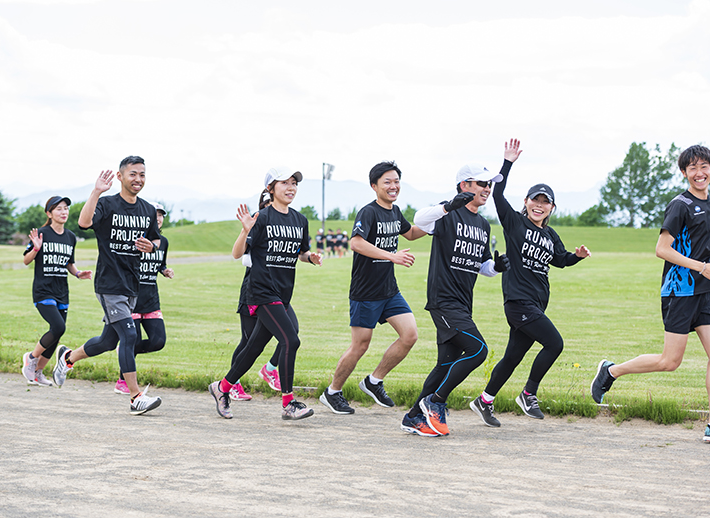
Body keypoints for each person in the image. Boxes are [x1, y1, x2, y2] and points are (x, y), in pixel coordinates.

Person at [591, 144, 710, 444]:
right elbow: (662, 249)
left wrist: (704, 272)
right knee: (670, 362)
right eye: (692, 168)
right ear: (684, 173)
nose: (699, 173)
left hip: (703, 293)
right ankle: (610, 371)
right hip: (678, 291)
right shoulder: (679, 205)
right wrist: (702, 267)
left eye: (704, 166)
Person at [473, 140, 591, 425]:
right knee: (554, 344)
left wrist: (577, 257)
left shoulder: (550, 236)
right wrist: (507, 162)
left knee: (512, 357)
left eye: (545, 202)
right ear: (526, 203)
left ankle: (484, 401)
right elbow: (498, 194)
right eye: (534, 200)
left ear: (551, 208)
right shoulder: (515, 224)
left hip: (536, 303)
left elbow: (560, 259)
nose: (539, 206)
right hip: (518, 301)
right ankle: (528, 393)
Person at [401, 163, 510, 436]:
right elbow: (419, 218)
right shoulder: (446, 213)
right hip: (443, 300)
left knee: (446, 364)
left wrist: (497, 267)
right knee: (478, 350)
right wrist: (449, 206)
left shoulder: (483, 224)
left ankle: (413, 417)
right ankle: (435, 401)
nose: (487, 189)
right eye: (482, 184)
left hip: (462, 303)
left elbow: (482, 267)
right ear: (464, 186)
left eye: (490, 185)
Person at [209, 167, 323, 420]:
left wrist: (310, 257)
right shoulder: (260, 217)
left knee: (254, 346)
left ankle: (222, 387)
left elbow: (299, 252)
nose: (291, 187)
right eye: (284, 182)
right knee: (290, 340)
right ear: (271, 188)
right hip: (261, 290)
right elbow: (237, 254)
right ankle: (288, 403)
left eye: (294, 183)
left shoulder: (299, 219)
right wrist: (245, 230)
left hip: (283, 293)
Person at [52, 156, 163, 416]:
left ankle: (67, 358)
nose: (138, 179)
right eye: (133, 174)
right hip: (109, 283)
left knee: (107, 342)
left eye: (143, 175)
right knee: (130, 335)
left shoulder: (147, 209)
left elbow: (156, 241)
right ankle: (136, 397)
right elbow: (84, 223)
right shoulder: (107, 204)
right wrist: (96, 191)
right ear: (121, 176)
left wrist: (150, 246)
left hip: (131, 285)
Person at [320, 161, 427, 415]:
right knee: (360, 345)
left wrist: (439, 219)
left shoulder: (395, 211)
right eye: (387, 182)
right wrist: (392, 256)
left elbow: (410, 233)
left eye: (396, 181)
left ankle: (374, 381)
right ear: (374, 186)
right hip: (365, 292)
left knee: (410, 335)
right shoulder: (368, 212)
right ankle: (332, 392)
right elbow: (356, 243)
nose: (393, 186)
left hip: (389, 290)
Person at [21, 196, 92, 387]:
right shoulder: (41, 233)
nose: (64, 212)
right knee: (58, 327)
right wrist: (36, 249)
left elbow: (69, 262)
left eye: (66, 208)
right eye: (59, 209)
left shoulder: (70, 237)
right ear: (49, 213)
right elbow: (26, 260)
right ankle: (31, 358)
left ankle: (37, 373)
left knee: (57, 334)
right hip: (43, 290)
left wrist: (78, 273)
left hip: (62, 291)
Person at [227, 189, 283, 401]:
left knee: (288, 334)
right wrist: (245, 231)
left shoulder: (285, 227)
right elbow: (238, 255)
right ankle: (233, 383)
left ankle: (270, 368)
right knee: (249, 340)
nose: (271, 209)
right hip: (253, 291)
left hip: (276, 292)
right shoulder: (256, 225)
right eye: (267, 205)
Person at [114, 202, 174, 394]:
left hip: (151, 300)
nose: (158, 218)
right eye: (154, 214)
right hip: (131, 300)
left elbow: (158, 263)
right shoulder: (134, 239)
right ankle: (123, 380)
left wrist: (164, 270)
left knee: (158, 341)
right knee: (133, 340)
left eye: (161, 215)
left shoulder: (162, 242)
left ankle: (124, 351)